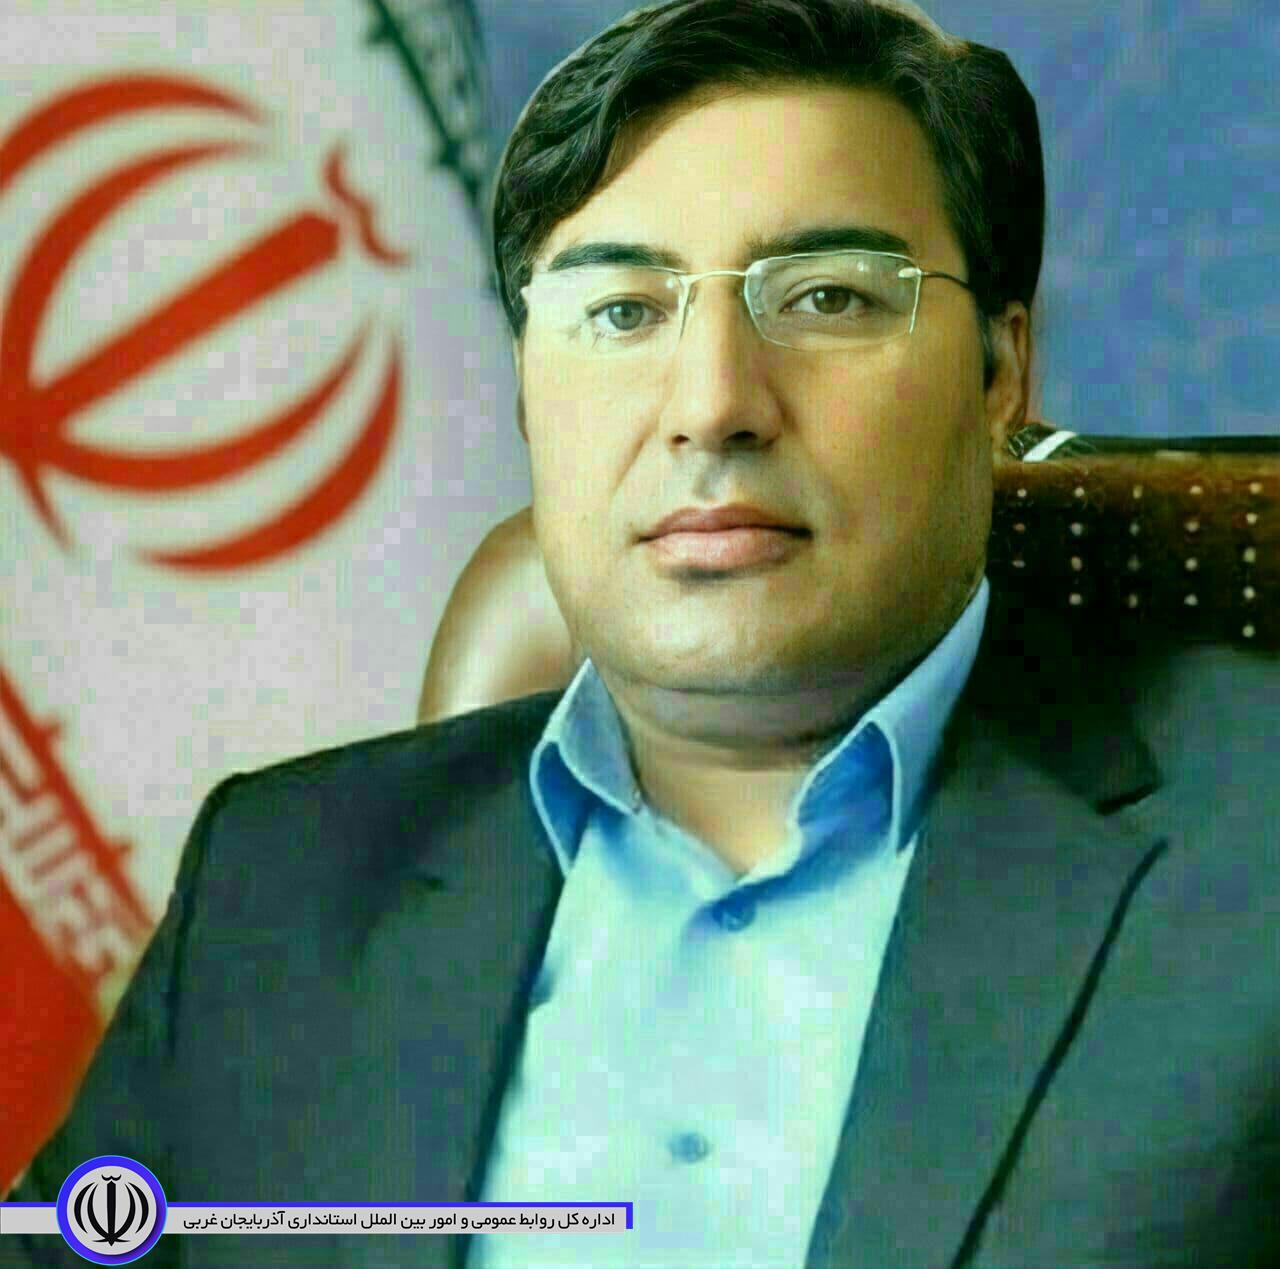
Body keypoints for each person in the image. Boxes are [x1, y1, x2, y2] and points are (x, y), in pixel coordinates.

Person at [7, 0, 1278, 1266]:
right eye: (621, 310)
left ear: (1000, 372)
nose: (711, 404)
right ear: (524, 385)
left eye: (826, 297)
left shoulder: (1250, 853)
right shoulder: (279, 878)